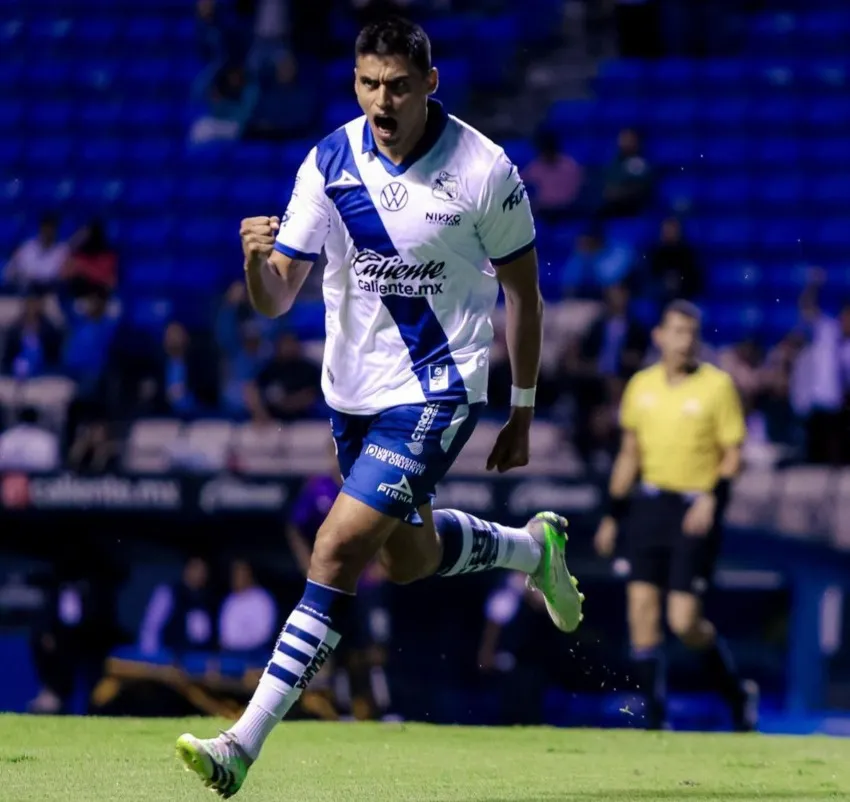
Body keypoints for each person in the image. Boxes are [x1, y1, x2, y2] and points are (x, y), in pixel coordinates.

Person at [176, 16, 584, 796]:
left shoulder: (484, 168)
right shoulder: (328, 161)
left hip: (439, 387)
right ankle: (533, 550)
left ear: (430, 83)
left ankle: (240, 744)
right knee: (406, 559)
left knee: (336, 551)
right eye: (369, 84)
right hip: (353, 398)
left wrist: (522, 408)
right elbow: (275, 300)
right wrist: (256, 261)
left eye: (397, 85)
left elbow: (523, 294)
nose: (382, 100)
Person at [593, 300, 759, 731]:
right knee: (641, 613)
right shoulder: (640, 387)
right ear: (659, 337)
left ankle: (738, 694)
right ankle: (655, 717)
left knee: (684, 620)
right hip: (649, 506)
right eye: (677, 332)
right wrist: (613, 514)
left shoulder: (716, 386)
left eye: (692, 333)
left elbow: (733, 454)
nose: (685, 341)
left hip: (694, 508)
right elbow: (630, 455)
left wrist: (711, 497)